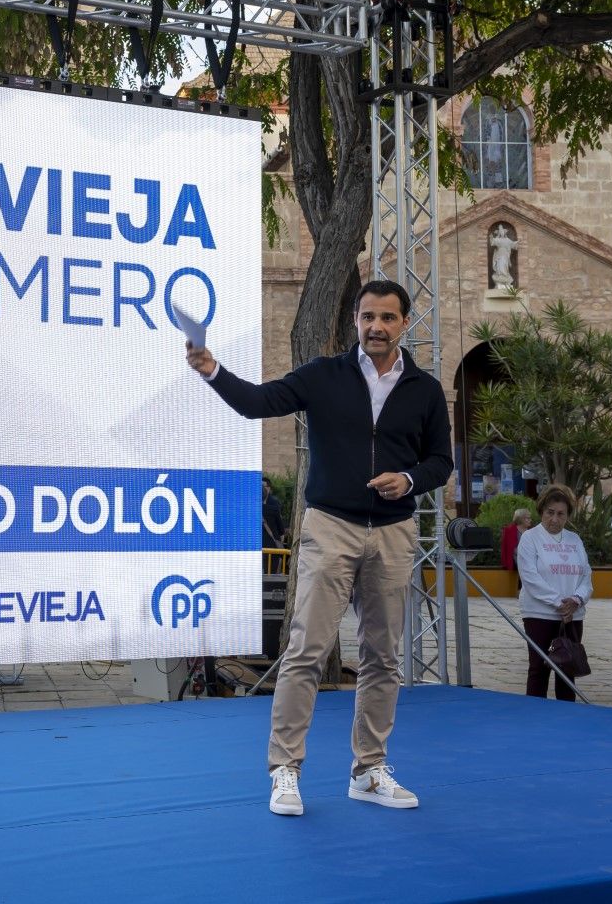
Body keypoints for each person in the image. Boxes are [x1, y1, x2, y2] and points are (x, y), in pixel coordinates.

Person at [186, 279, 452, 816]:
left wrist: (409, 479)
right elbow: (257, 403)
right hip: (330, 525)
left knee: (383, 657)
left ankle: (368, 770)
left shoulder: (424, 389)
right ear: (355, 321)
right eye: (367, 317)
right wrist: (212, 370)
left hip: (395, 532)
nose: (375, 326)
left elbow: (441, 461)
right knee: (306, 649)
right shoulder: (323, 375)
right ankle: (285, 770)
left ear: (405, 324)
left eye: (387, 318)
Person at [516, 485, 592, 701]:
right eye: (550, 512)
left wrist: (576, 600)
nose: (555, 519)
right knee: (539, 668)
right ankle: (534, 717)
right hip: (540, 614)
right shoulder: (530, 539)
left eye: (561, 514)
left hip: (572, 616)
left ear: (568, 516)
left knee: (567, 669)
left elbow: (586, 576)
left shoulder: (574, 540)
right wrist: (561, 603)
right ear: (541, 511)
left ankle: (566, 719)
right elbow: (530, 578)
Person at [499, 508, 532, 590]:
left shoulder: (531, 532)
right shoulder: (509, 530)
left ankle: (524, 589)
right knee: (524, 563)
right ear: (521, 519)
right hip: (516, 557)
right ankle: (522, 589)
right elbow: (509, 549)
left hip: (529, 557)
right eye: (527, 518)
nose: (530, 520)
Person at [262, 478, 289, 549]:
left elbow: (279, 526)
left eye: (263, 486)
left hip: (272, 544)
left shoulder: (274, 503)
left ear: (268, 488)